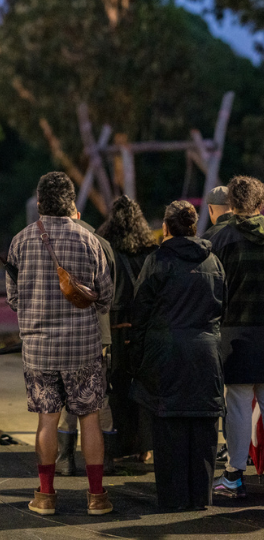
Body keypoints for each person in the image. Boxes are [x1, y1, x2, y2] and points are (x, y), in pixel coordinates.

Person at [6, 172, 113, 517]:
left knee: (47, 421)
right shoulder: (89, 240)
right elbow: (105, 296)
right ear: (72, 204)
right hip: (83, 348)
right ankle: (96, 497)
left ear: (39, 203)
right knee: (90, 420)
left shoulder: (20, 241)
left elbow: (14, 298)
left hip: (39, 351)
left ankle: (46, 496)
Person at [128, 200, 225, 511]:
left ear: (166, 228)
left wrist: (137, 358)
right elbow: (222, 305)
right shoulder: (213, 262)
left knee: (169, 427)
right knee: (203, 426)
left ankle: (174, 498)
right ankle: (200, 497)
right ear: (194, 226)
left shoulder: (157, 261)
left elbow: (140, 312)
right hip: (206, 352)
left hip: (166, 352)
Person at [209, 175, 264, 500]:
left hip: (235, 337)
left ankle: (234, 476)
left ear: (231, 204)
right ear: (260, 204)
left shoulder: (221, 239)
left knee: (239, 406)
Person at [55, 213, 117, 477]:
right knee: (98, 396)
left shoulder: (46, 242)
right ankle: (106, 460)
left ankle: (65, 459)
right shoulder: (99, 242)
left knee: (66, 397)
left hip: (58, 333)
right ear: (78, 214)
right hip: (95, 330)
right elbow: (109, 290)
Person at [97, 196, 158, 461]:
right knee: (144, 388)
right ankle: (145, 447)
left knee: (117, 389)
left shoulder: (105, 250)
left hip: (115, 329)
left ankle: (120, 445)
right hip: (144, 329)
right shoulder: (150, 252)